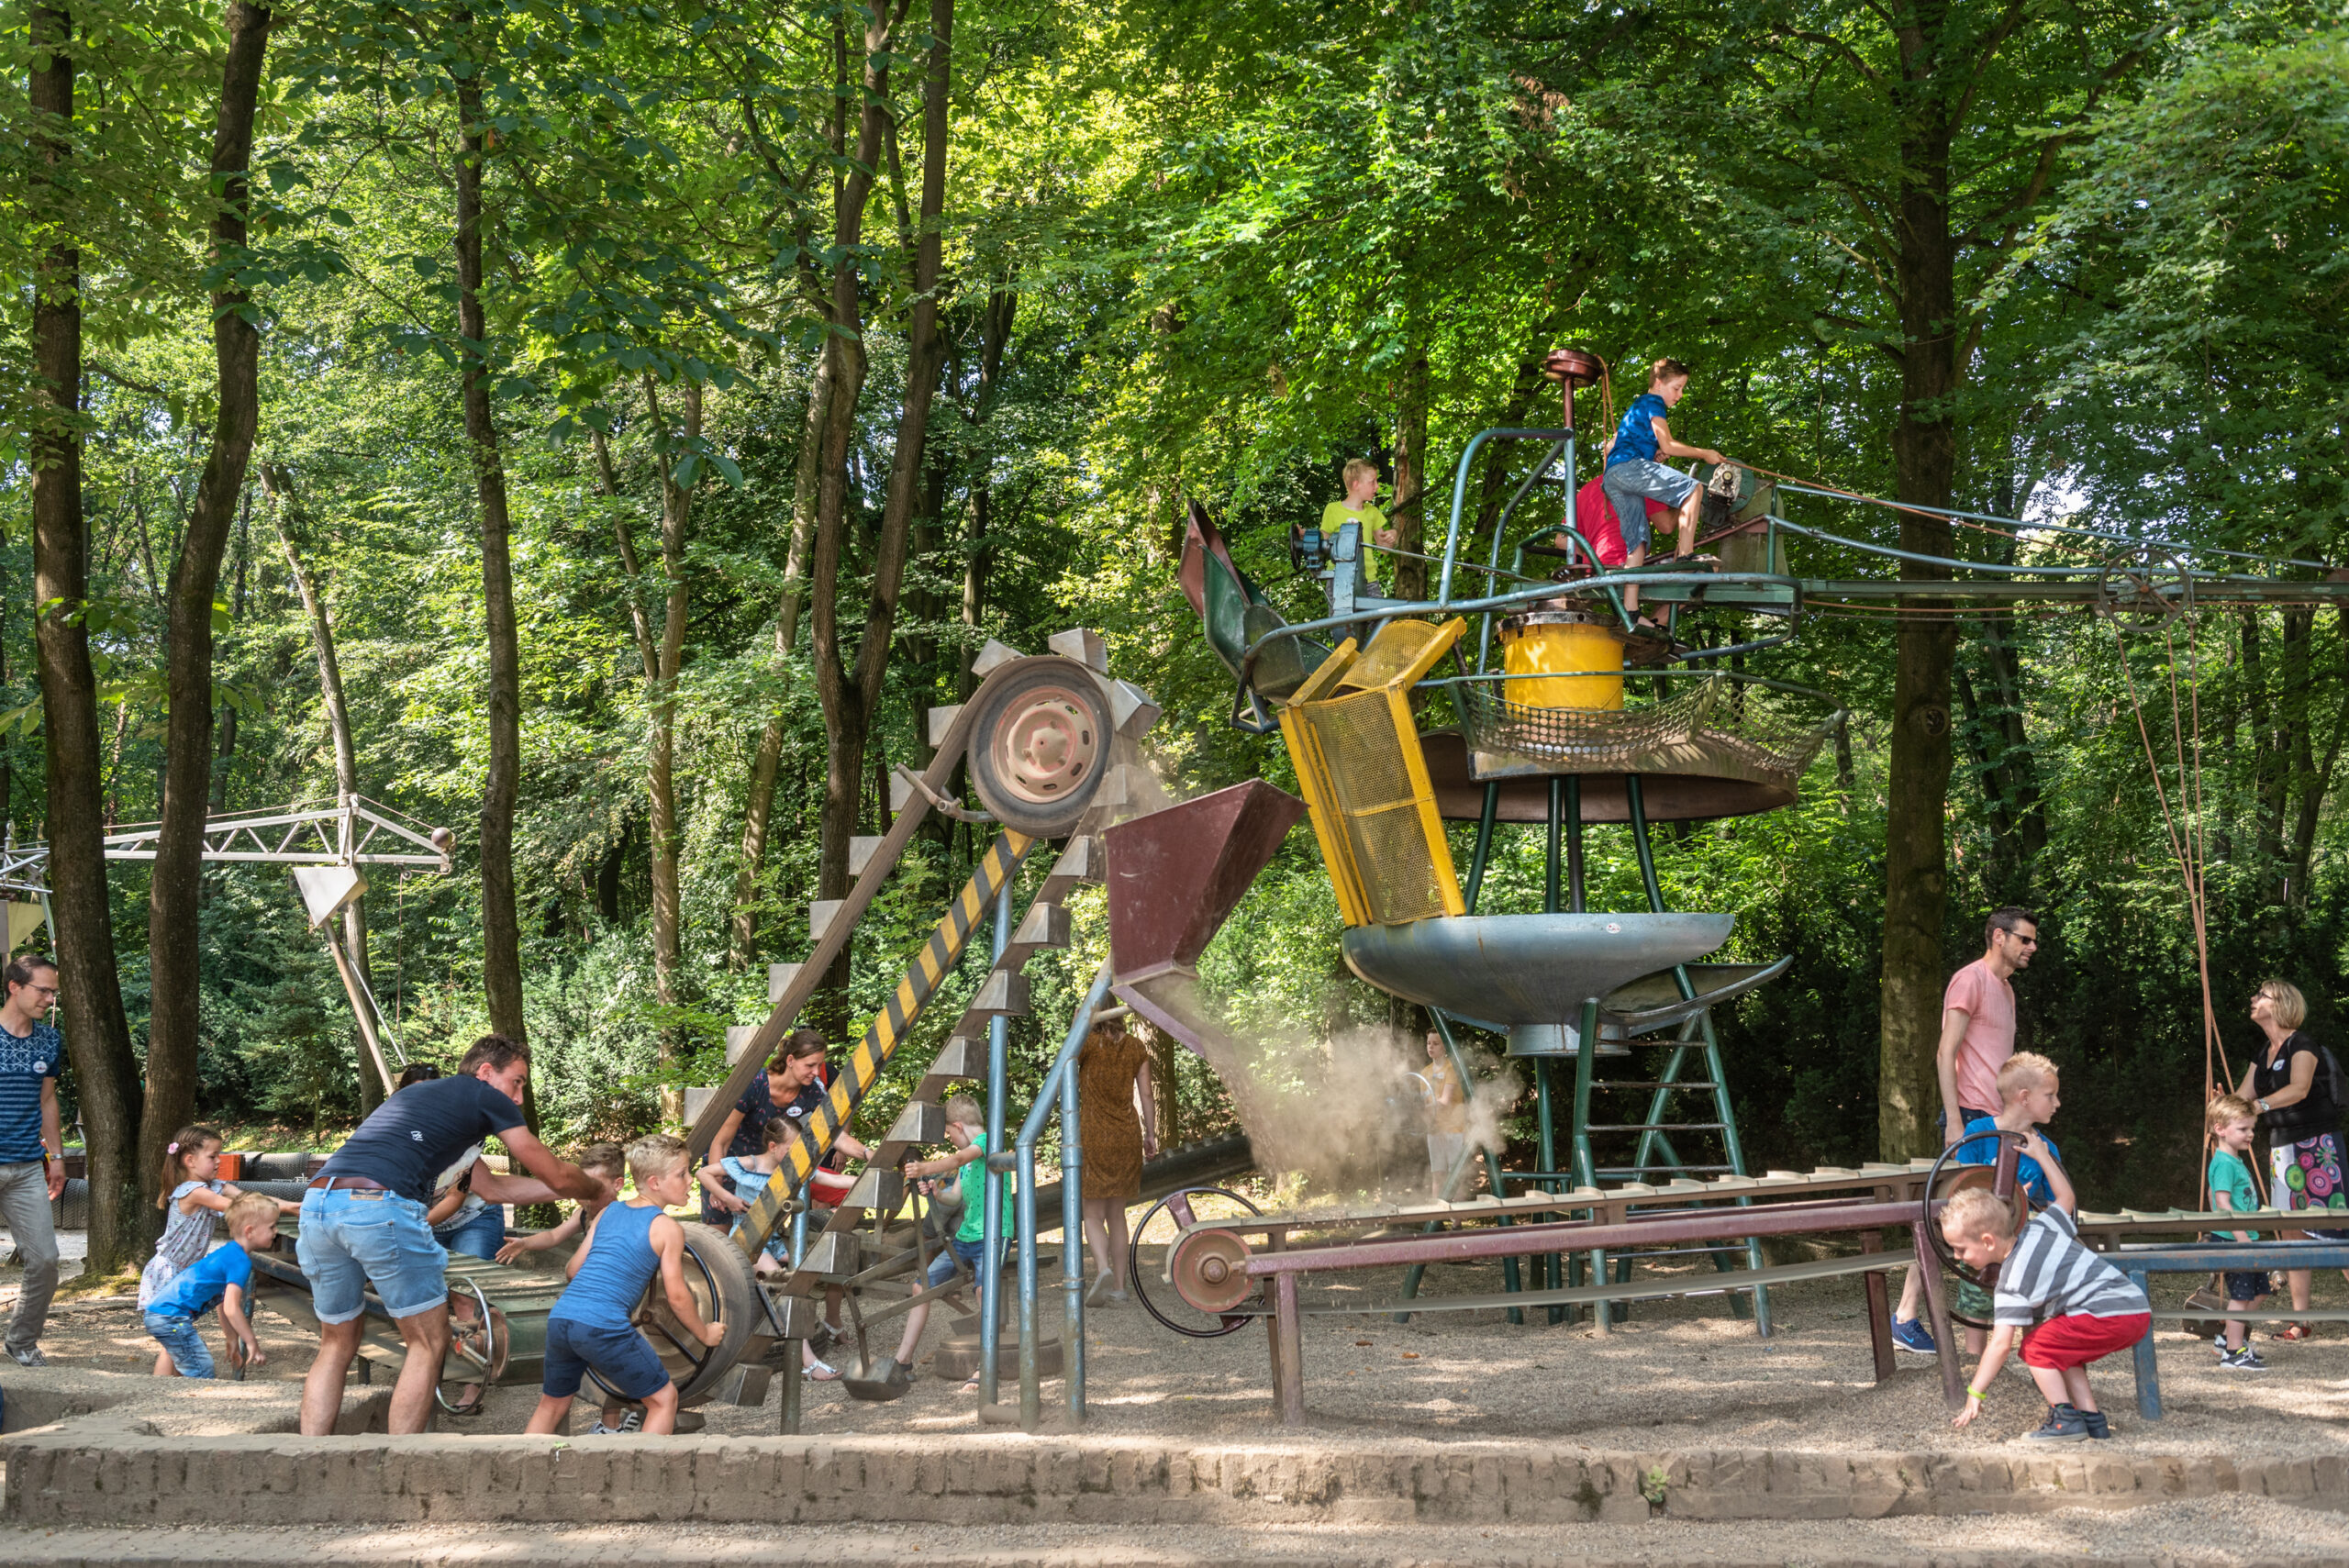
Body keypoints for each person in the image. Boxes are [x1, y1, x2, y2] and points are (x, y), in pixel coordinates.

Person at [295, 1034, 606, 1436]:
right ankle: (402, 1464)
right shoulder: (483, 1095)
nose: (517, 1098)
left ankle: (309, 1453)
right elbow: (555, 1171)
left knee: (336, 1343)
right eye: (517, 1082)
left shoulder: (430, 1104)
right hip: (378, 1205)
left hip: (318, 1204)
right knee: (428, 1342)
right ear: (486, 1072)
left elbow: (495, 1191)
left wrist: (574, 1190)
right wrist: (597, 1191)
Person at [1891, 906, 2040, 1354]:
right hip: (1970, 1117)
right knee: (1946, 1219)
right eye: (2025, 940)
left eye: (2033, 941)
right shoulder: (1969, 979)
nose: (2032, 948)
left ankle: (1993, 1318)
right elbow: (1945, 1052)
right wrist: (1954, 1119)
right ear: (1999, 937)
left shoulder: (2007, 991)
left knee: (1991, 1214)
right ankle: (1905, 1316)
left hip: (1999, 1119)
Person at [523, 1133, 723, 1438]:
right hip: (602, 1325)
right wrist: (705, 1333)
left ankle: (518, 1475)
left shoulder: (607, 1212)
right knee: (663, 1400)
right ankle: (639, 1482)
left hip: (562, 1318)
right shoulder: (666, 1228)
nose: (690, 1181)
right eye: (681, 1174)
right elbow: (679, 1297)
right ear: (655, 1183)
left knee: (551, 1405)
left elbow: (573, 1270)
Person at [1942, 1179, 2148, 1443]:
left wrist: (1976, 1392)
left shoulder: (2011, 1283)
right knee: (2060, 1350)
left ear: (1988, 1242)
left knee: (2036, 1348)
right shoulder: (2040, 1227)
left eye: (1961, 1249)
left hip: (2107, 1314)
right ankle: (2091, 1419)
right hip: (2134, 1307)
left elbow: (2000, 1345)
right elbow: (2066, 1197)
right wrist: (2041, 1155)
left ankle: (2064, 1419)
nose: (1957, 1257)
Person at [2233, 978, 2349, 1339]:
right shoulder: (2263, 1052)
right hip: (2283, 1149)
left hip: (2317, 1147)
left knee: (2338, 1231)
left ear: (2280, 1004)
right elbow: (2242, 1096)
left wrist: (2260, 1105)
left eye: (2261, 995)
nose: (2253, 999)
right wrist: (2227, 1106)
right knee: (2293, 1234)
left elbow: (2299, 1088)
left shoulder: (2303, 1044)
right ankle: (2301, 1321)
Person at [139, 1124, 297, 1375]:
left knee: (178, 1340)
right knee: (173, 1341)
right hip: (170, 1270)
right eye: (212, 1156)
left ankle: (174, 1389)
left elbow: (250, 1200)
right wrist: (285, 1209)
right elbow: (243, 1209)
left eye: (219, 1156)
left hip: (187, 1270)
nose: (218, 1162)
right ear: (190, 1160)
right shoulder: (195, 1192)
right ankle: (161, 1391)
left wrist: (291, 1205)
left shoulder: (216, 1186)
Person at [1942, 1052, 2067, 1361]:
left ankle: (2036, 1361)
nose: (2057, 1103)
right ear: (2024, 1097)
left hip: (2022, 1242)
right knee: (1976, 1301)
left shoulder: (2046, 1148)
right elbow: (1961, 1185)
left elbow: (2056, 1203)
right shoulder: (1978, 1134)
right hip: (1981, 1241)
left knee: (2031, 1302)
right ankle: (1974, 1362)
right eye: (2050, 1095)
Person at [894, 1096, 1011, 1394]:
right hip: (967, 1236)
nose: (949, 1138)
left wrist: (923, 1168)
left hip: (994, 1234)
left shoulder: (988, 1142)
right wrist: (935, 1190)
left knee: (985, 1292)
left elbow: (957, 1159)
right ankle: (903, 1361)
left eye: (949, 1132)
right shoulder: (968, 1161)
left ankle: (988, 1365)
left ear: (958, 1126)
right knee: (921, 1287)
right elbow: (955, 1197)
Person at [1598, 359, 1726, 627]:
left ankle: (1630, 611)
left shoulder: (1638, 407)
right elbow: (1668, 442)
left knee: (1638, 542)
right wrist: (1704, 453)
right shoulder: (1653, 402)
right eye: (1677, 388)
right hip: (1627, 469)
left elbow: (1640, 444)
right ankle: (1688, 555)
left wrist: (1654, 455)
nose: (1679, 395)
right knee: (1693, 488)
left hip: (1613, 476)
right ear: (1658, 383)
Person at [700, 1031, 871, 1224]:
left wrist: (866, 1153)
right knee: (720, 1241)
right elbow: (721, 1141)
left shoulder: (813, 1091)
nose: (816, 1072)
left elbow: (835, 1135)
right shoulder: (755, 1085)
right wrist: (717, 1187)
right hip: (732, 1164)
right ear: (790, 1060)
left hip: (766, 1168)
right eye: (810, 1065)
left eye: (820, 1065)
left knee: (759, 1239)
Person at [0, 952, 65, 1367]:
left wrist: (56, 1157)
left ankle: (22, 1340)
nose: (49, 999)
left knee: (45, 1259)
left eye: (53, 992)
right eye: (43, 990)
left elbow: (47, 1099)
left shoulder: (49, 1040)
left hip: (26, 1166)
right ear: (15, 987)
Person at [144, 1191, 280, 1380]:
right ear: (249, 1231)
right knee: (201, 1369)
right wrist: (251, 1342)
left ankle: (163, 1399)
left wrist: (232, 1339)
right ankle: (191, 1406)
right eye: (272, 1227)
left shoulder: (229, 1253)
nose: (276, 1232)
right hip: (170, 1318)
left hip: (160, 1314)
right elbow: (232, 1308)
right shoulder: (239, 1261)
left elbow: (222, 1304)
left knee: (188, 1358)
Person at [1076, 1018, 1157, 1306]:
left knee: (1092, 1213)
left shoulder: (1087, 1043)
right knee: (1117, 1214)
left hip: (1094, 1134)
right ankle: (1120, 1288)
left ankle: (1103, 1270)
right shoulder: (1136, 1046)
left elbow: (1065, 1063)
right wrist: (1151, 1134)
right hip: (1127, 1134)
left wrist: (1079, 1022)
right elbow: (1146, 1094)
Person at [2205, 1094, 2273, 1370]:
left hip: (2246, 1237)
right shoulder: (2222, 1162)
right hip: (2233, 1240)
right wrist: (2241, 1236)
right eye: (2243, 1129)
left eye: (2252, 1129)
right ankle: (2233, 1353)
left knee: (2261, 1291)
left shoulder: (2233, 1161)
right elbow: (2220, 1202)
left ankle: (2226, 1339)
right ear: (2220, 1129)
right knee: (2241, 1295)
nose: (2251, 1134)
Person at [495, 1141, 627, 1267]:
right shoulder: (582, 1213)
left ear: (617, 1184)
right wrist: (525, 1243)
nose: (586, 1191)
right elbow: (553, 1236)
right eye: (583, 1183)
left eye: (594, 1186)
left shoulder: (624, 1217)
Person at [1420, 1031, 1471, 1200]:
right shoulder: (1424, 1072)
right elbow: (1424, 1103)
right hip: (1434, 1131)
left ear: (1444, 1047)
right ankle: (1437, 1219)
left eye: (1436, 1043)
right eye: (1429, 1043)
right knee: (1437, 1175)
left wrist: (1422, 1107)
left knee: (1455, 1176)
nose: (1431, 1047)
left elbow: (1445, 1101)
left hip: (1454, 1129)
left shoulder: (1451, 1068)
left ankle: (1457, 1222)